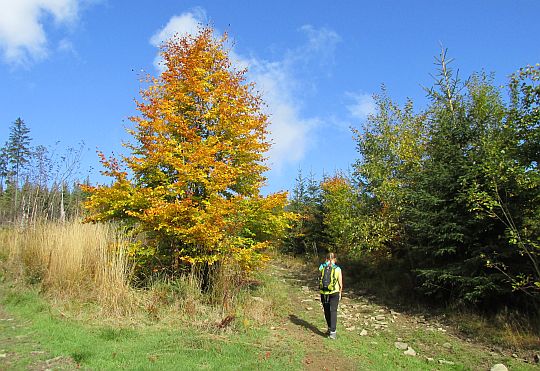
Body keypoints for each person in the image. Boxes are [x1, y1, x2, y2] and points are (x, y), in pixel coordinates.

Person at [319, 252, 343, 339]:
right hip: (334, 292)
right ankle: (333, 332)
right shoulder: (337, 269)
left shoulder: (322, 267)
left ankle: (329, 328)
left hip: (324, 292)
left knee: (326, 310)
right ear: (335, 259)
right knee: (333, 311)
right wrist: (340, 292)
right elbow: (340, 283)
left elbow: (320, 278)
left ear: (326, 259)